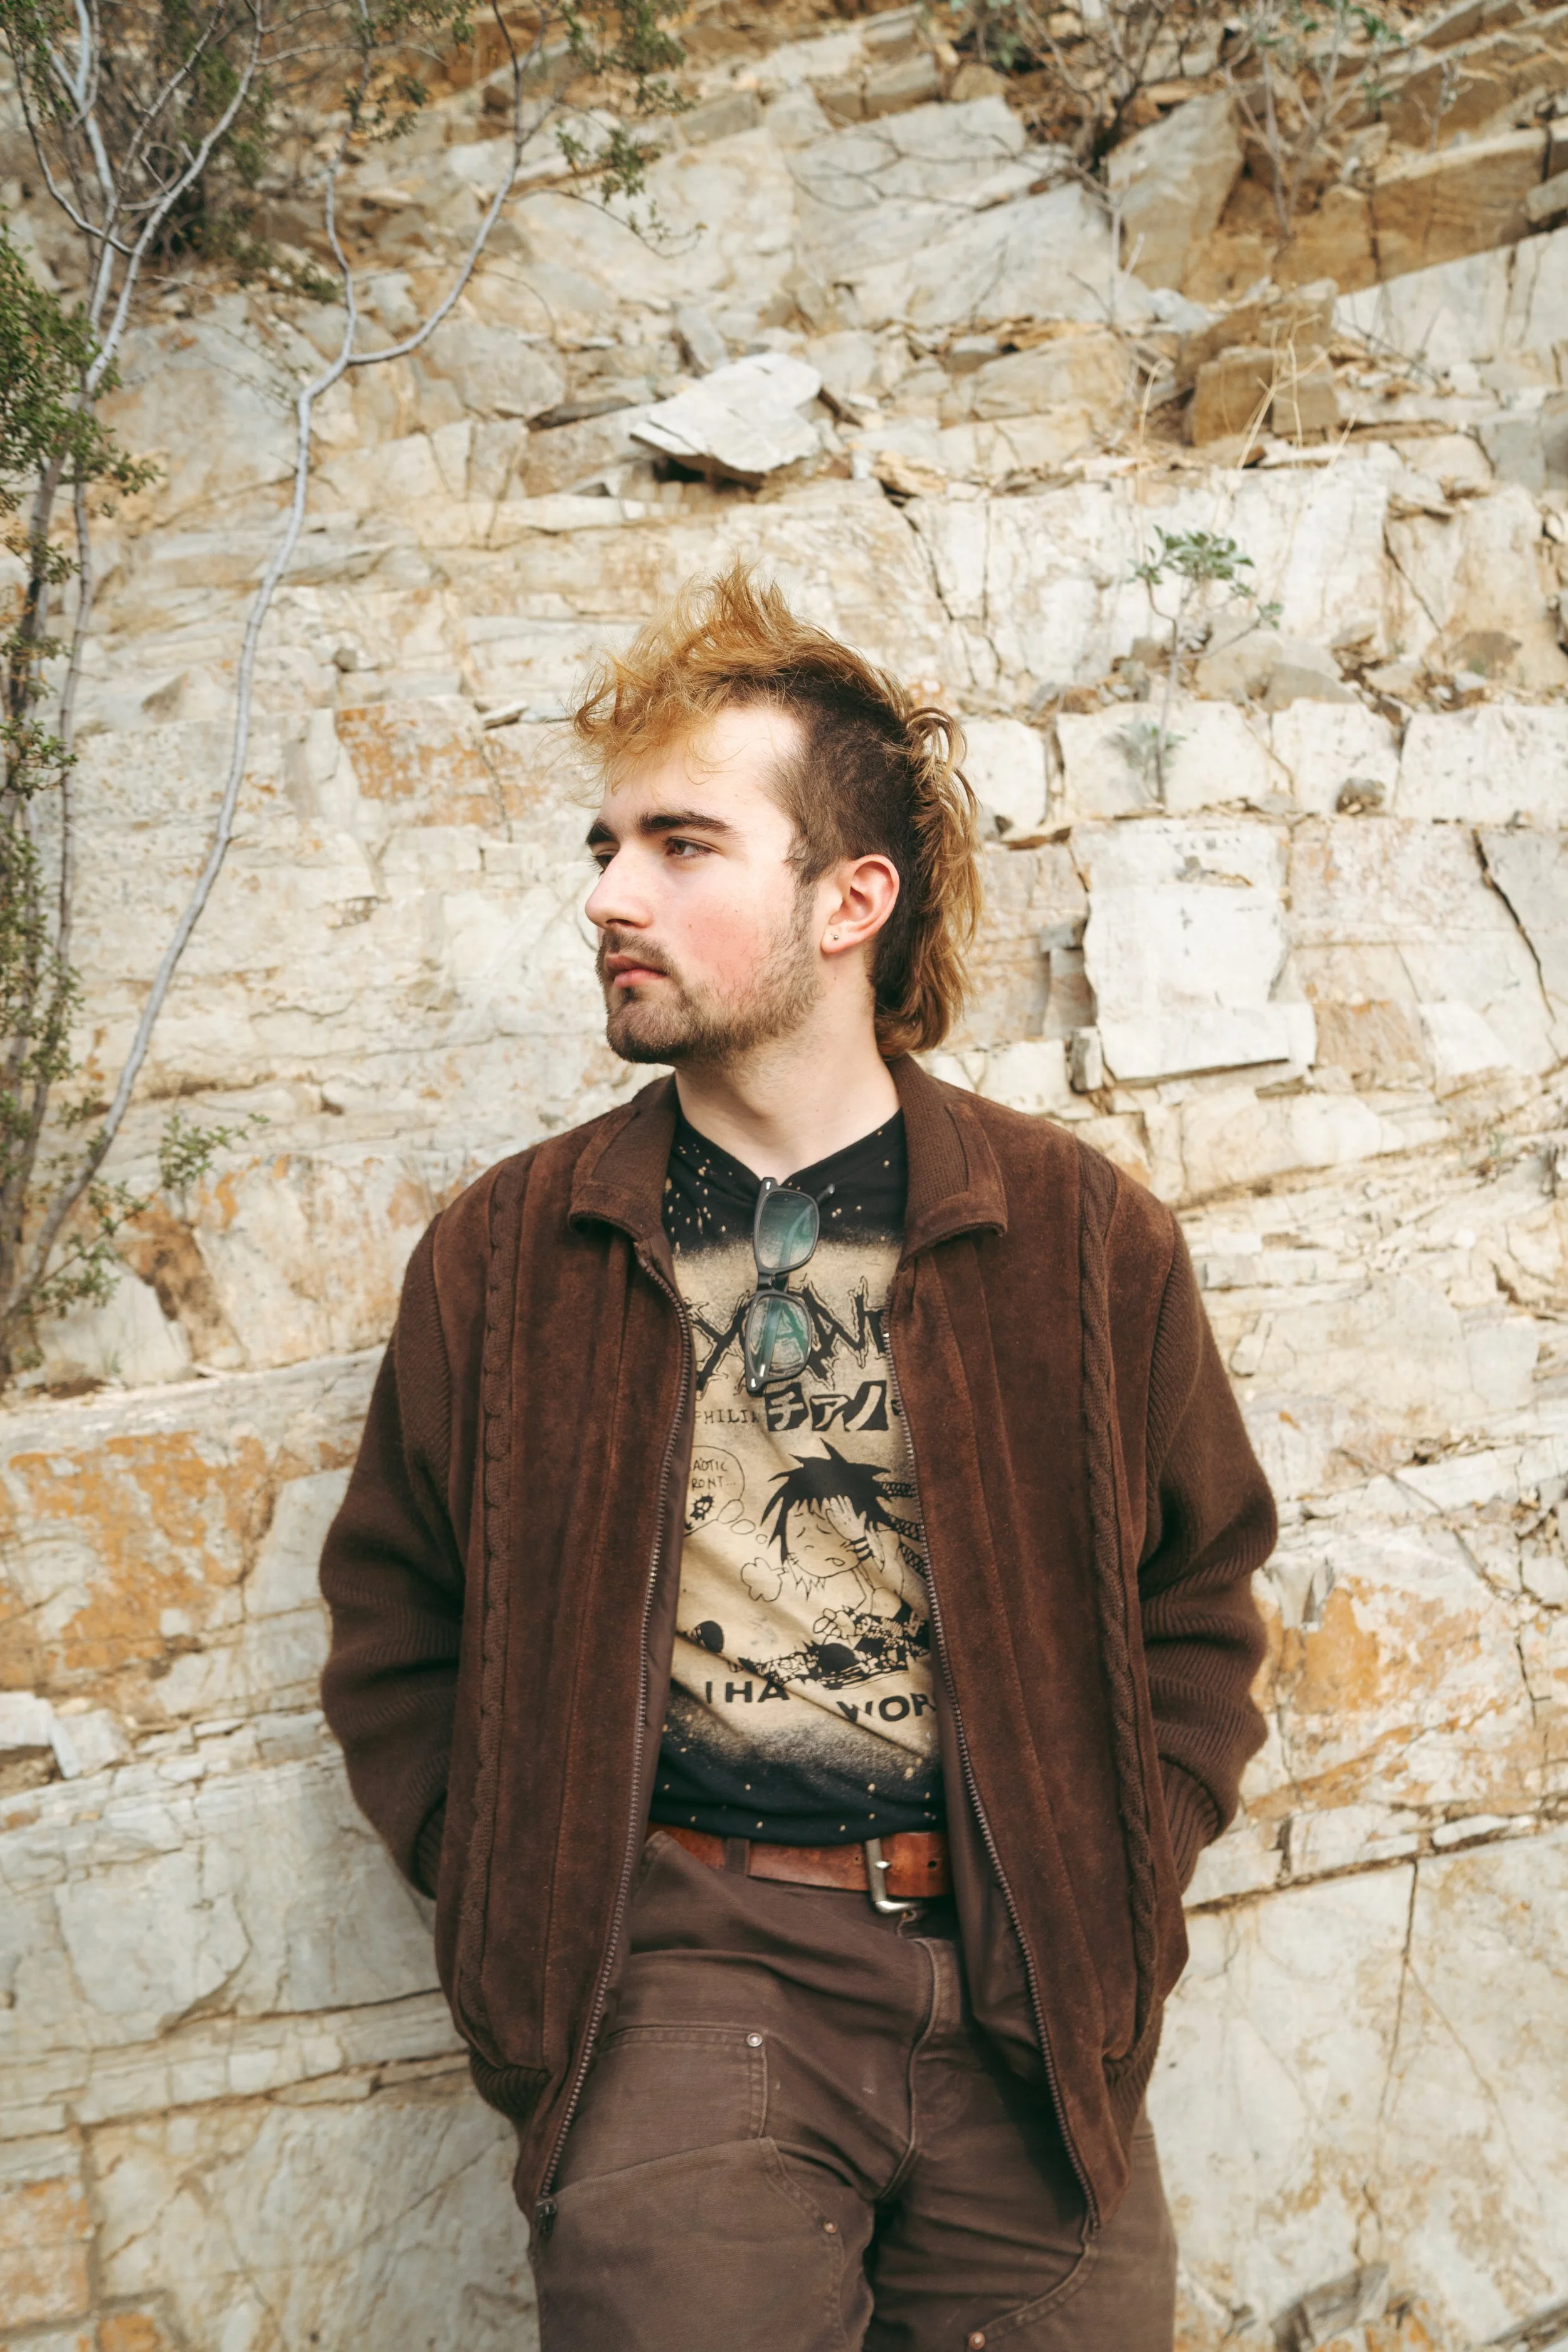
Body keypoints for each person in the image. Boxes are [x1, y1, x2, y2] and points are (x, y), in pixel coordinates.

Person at [319, 566, 1274, 2351]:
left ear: (851, 898)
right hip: (685, 1971)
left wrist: (1119, 1871)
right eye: (603, 846)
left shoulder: (1076, 1235)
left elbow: (1200, 1594)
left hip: (1027, 1999)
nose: (611, 894)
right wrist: (518, 1879)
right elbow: (395, 1618)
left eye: (681, 843)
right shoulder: (513, 1251)